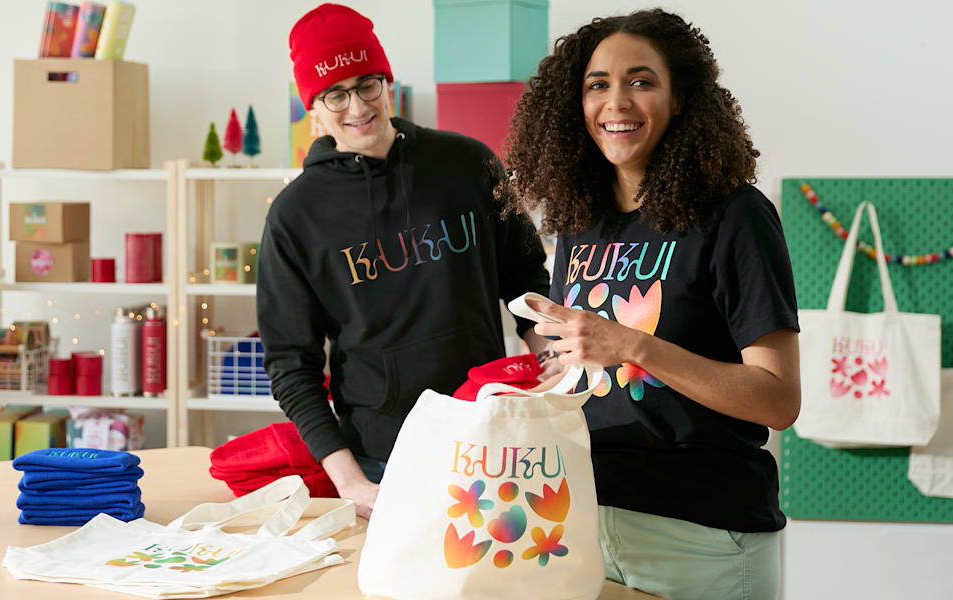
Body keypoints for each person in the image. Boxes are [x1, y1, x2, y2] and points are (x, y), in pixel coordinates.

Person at [498, 9, 801, 600]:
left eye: (640, 81)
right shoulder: (582, 221)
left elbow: (778, 399)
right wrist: (527, 387)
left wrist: (632, 345)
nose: (617, 101)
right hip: (587, 520)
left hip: (703, 537)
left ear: (680, 98)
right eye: (598, 84)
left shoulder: (735, 216)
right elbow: (590, 375)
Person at [257, 3, 554, 520]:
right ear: (314, 107)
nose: (357, 106)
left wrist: (550, 361)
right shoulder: (295, 215)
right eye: (335, 94)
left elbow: (524, 274)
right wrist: (352, 483)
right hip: (382, 459)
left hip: (491, 431)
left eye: (367, 84)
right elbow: (290, 365)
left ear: (386, 82)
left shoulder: (469, 163)